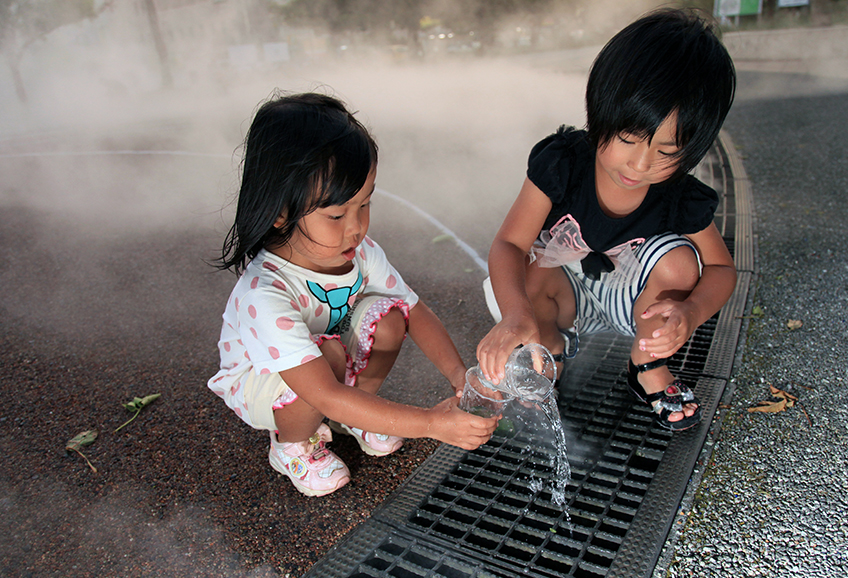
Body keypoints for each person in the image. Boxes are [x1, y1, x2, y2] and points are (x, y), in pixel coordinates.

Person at [209, 92, 498, 497]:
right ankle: (291, 444)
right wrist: (431, 423)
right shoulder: (265, 294)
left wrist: (458, 377)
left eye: (365, 204)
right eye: (336, 214)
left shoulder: (360, 254)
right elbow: (322, 391)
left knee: (391, 317)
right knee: (324, 363)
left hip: (326, 362)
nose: (356, 227)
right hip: (262, 383)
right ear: (278, 212)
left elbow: (414, 312)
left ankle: (360, 412)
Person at [477, 9, 737, 432]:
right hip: (567, 295)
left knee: (680, 263)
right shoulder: (562, 163)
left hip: (634, 304)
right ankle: (548, 350)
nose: (640, 163)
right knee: (524, 271)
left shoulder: (679, 195)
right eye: (628, 139)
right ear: (600, 110)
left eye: (667, 152)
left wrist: (691, 311)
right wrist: (514, 315)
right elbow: (509, 243)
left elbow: (722, 269)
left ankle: (647, 365)